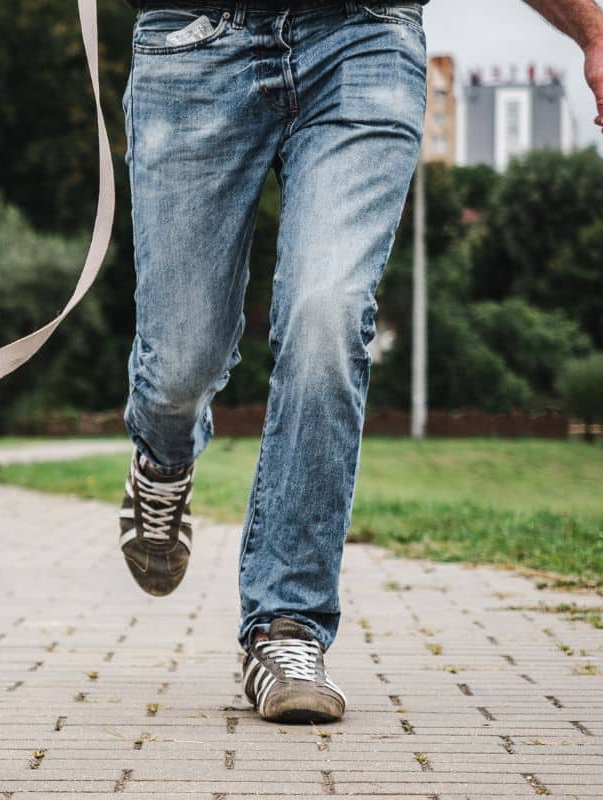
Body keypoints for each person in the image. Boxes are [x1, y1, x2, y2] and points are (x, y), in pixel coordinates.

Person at [117, 0, 603, 723]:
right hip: (192, 41)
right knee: (181, 362)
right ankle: (162, 462)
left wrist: (592, 30)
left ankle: (288, 625)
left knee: (328, 316)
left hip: (365, 36)